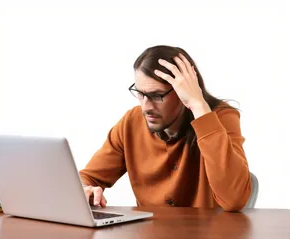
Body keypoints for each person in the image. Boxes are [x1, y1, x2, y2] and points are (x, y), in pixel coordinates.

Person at [79, 45, 252, 211]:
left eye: (156, 95)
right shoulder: (131, 122)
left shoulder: (220, 118)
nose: (146, 106)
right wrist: (86, 189)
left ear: (184, 91)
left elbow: (235, 199)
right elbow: (88, 178)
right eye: (140, 93)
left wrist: (198, 104)